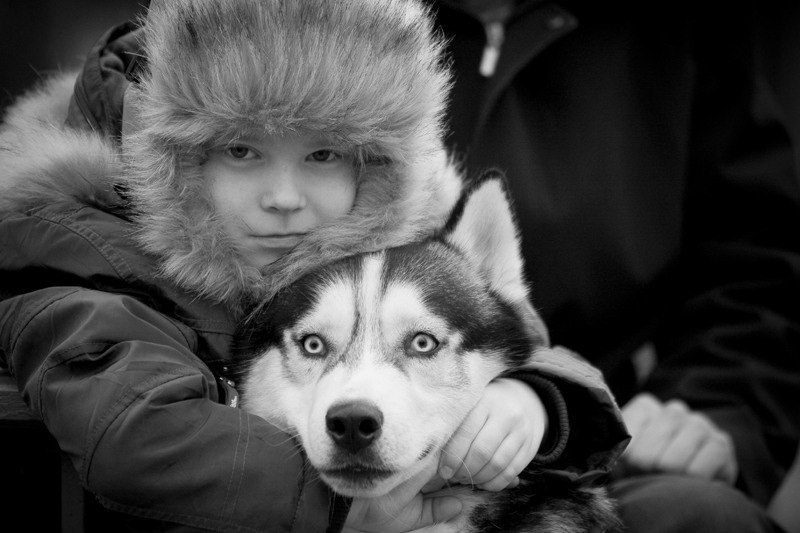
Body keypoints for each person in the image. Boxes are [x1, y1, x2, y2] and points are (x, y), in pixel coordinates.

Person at [0, 0, 629, 531]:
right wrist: (344, 510)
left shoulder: (392, 230)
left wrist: (536, 399)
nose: (284, 198)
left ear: (371, 165)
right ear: (173, 158)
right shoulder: (80, 255)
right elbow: (135, 433)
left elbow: (520, 335)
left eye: (322, 154)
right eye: (242, 150)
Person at [430, 1, 800, 531]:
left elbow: (754, 275)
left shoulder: (682, 30)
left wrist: (709, 411)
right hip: (377, 448)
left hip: (604, 453)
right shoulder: (337, 27)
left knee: (704, 518)